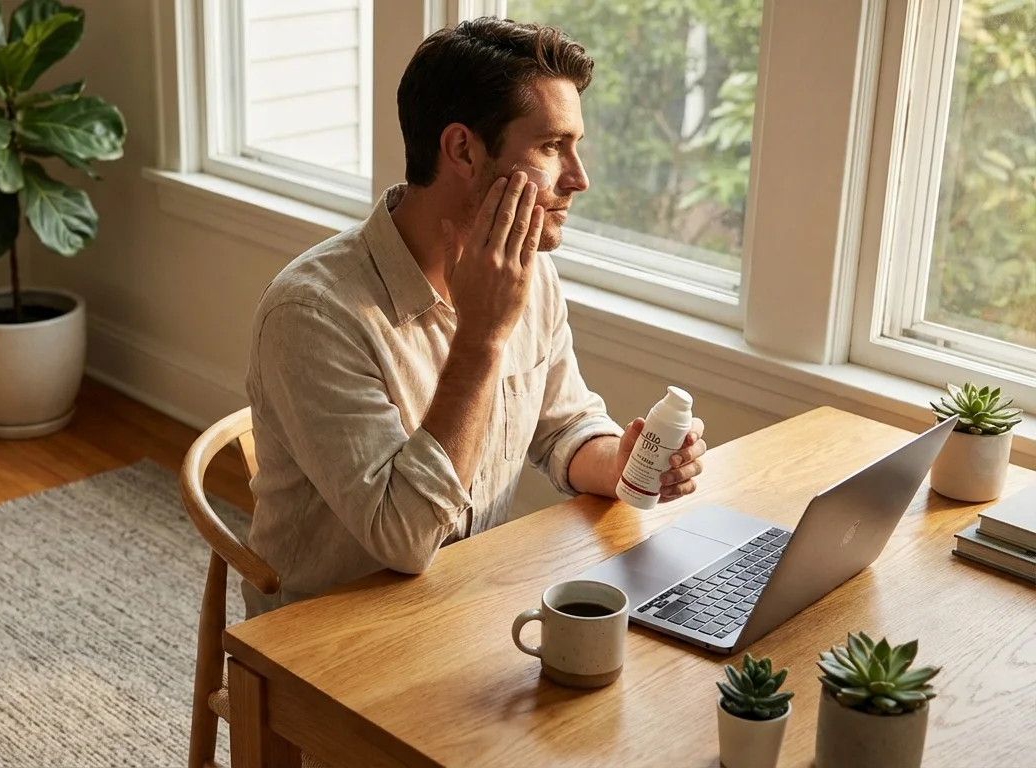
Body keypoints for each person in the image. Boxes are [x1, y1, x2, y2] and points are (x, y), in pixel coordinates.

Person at [241, 17, 707, 618]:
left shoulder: (525, 270)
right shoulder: (311, 314)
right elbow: (405, 539)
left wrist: (620, 463)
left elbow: (563, 426)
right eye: (550, 146)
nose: (579, 178)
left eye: (576, 146)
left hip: (466, 605)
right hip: (325, 640)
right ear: (462, 148)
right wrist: (481, 339)